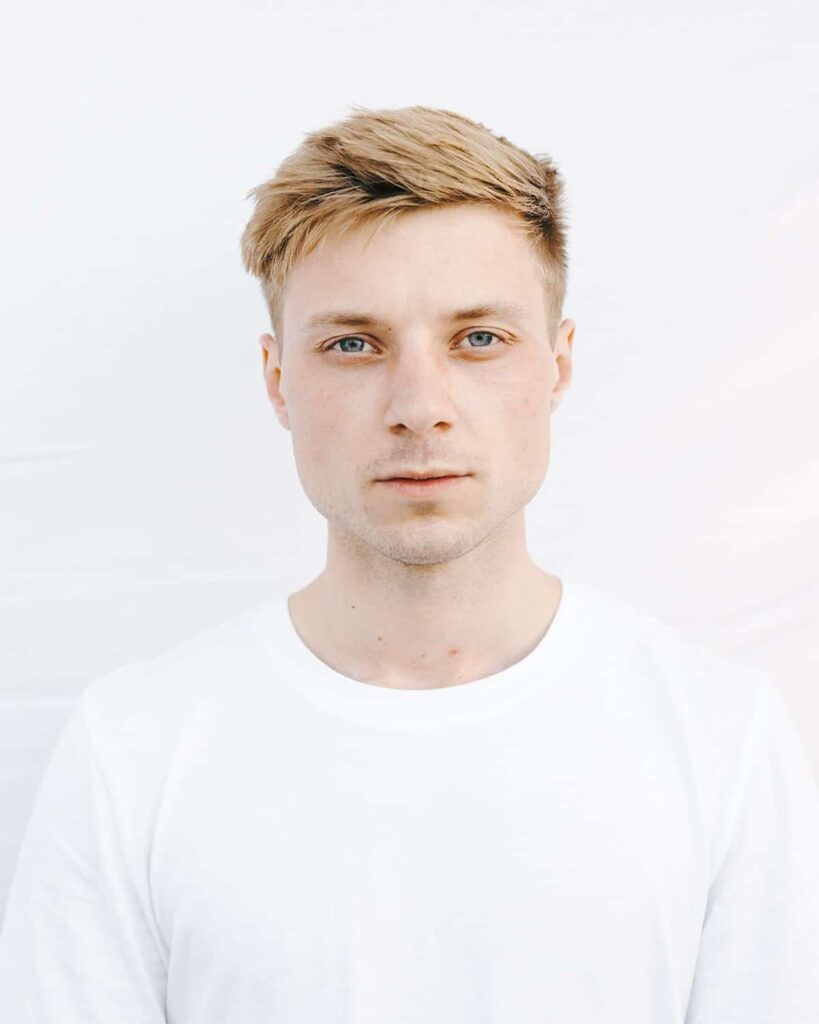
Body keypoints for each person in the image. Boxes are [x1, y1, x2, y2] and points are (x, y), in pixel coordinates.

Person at [1, 104, 818, 1023]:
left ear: (557, 365)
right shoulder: (134, 748)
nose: (419, 406)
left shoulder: (719, 735)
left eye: (479, 339)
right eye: (353, 344)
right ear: (278, 379)